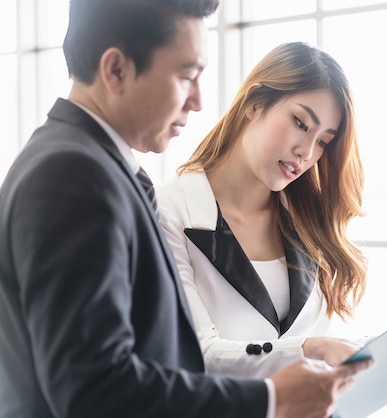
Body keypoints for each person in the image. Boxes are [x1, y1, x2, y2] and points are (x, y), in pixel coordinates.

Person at [0, 1, 372, 417]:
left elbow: (147, 360)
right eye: (186, 76)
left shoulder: (95, 168)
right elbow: (93, 389)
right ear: (116, 70)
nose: (199, 101)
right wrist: (271, 400)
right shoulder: (72, 177)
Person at [155, 42, 369, 379]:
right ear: (255, 103)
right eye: (300, 123)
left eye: (324, 141)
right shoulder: (168, 211)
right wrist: (307, 349)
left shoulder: (308, 221)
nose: (307, 152)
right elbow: (194, 354)